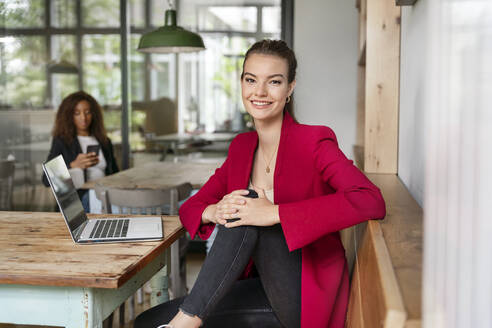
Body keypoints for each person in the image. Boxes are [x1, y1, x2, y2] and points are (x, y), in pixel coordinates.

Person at [134, 40, 386, 328]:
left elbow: (370, 199)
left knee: (247, 204)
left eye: (274, 81)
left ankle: (186, 321)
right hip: (261, 283)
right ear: (242, 83)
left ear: (290, 87)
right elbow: (192, 206)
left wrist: (274, 212)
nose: (260, 92)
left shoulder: (314, 142)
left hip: (306, 294)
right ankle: (186, 320)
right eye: (251, 80)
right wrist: (214, 211)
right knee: (147, 321)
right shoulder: (242, 147)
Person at [42, 91, 119, 212]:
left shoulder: (104, 141)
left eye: (87, 112)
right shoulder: (62, 142)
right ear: (69, 116)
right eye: (77, 113)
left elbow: (115, 174)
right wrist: (73, 165)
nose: (83, 117)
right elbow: (46, 180)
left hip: (105, 194)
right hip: (81, 200)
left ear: (94, 114)